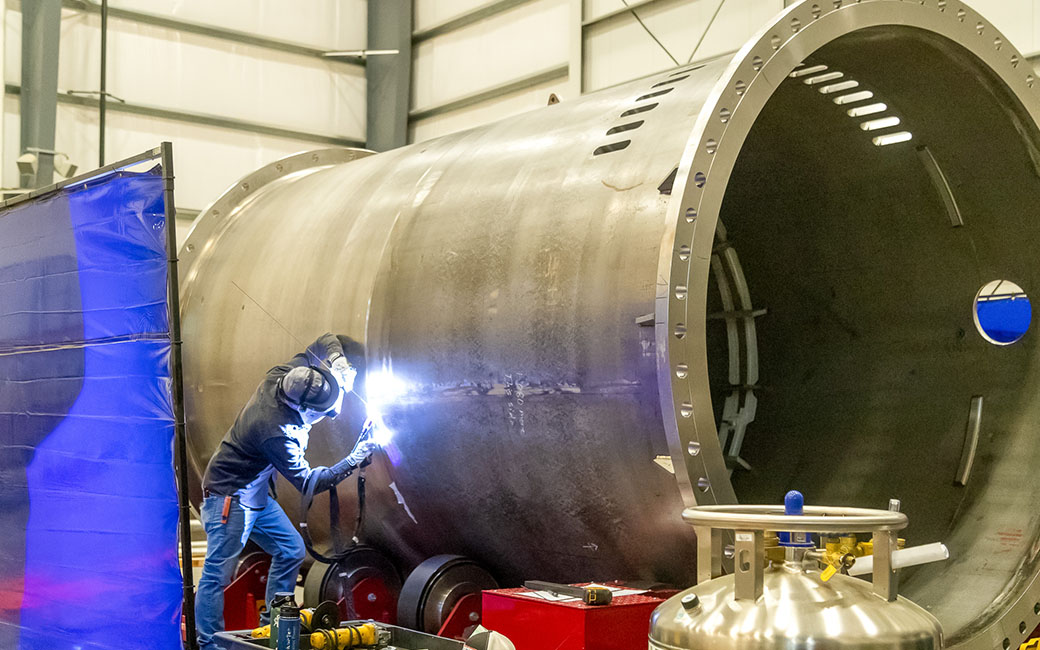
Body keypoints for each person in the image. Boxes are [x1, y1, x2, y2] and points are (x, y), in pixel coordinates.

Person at [194, 333, 376, 650]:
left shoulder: (287, 375)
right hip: (229, 496)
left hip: (256, 493)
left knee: (290, 550)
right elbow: (309, 483)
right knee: (217, 574)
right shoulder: (273, 430)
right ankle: (208, 644)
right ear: (300, 409)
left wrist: (337, 362)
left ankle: (270, 632)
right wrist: (354, 459)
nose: (327, 417)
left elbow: (324, 340)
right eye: (321, 414)